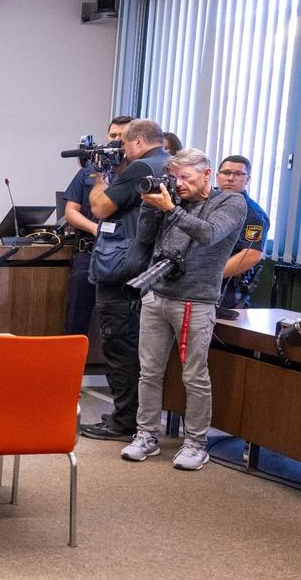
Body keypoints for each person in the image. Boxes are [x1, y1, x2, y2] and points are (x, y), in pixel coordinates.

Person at [120, 148, 246, 469]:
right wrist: (151, 207)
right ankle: (146, 435)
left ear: (206, 174)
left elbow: (209, 234)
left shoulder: (230, 202)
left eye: (185, 177)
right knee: (149, 372)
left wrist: (170, 209)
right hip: (156, 293)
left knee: (194, 375)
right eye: (174, 178)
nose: (178, 184)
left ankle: (196, 443)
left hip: (195, 300)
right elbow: (145, 237)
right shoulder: (173, 199)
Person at [81, 118, 170, 441]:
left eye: (123, 143)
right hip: (150, 269)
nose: (120, 149)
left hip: (122, 269)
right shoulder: (169, 164)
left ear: (138, 142)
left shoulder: (140, 167)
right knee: (137, 348)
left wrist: (98, 176)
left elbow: (100, 208)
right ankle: (131, 416)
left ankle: (123, 421)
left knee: (119, 346)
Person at [62, 115, 132, 335]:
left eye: (122, 136)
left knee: (117, 322)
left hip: (121, 257)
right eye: (112, 135)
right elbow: (70, 212)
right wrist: (95, 229)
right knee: (76, 318)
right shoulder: (90, 170)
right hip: (88, 253)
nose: (116, 140)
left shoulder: (136, 173)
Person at [215, 155, 270, 308]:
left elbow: (252, 255)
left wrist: (209, 277)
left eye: (238, 174)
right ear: (217, 176)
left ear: (248, 179)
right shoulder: (207, 202)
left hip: (227, 288)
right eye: (226, 173)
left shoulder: (253, 214)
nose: (230, 178)